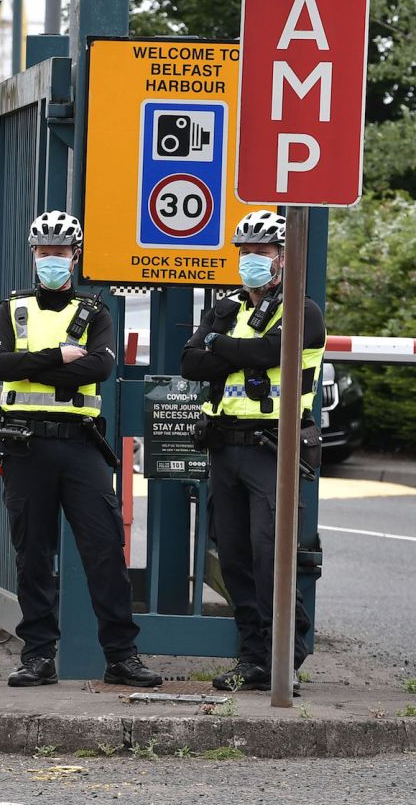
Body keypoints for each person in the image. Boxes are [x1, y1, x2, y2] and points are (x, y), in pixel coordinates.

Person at [0, 210, 161, 688]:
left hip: (80, 446)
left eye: (60, 252)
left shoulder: (95, 312)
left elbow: (99, 369)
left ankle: (122, 657)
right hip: (24, 446)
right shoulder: (13, 309)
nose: (52, 260)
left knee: (104, 550)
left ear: (75, 256)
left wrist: (33, 368)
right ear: (33, 255)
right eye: (44, 252)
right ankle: (38, 657)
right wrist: (60, 358)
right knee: (33, 556)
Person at [180, 210, 325, 694]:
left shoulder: (303, 310)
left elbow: (270, 355)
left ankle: (289, 656)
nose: (250, 261)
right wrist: (226, 344)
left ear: (284, 258)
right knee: (234, 559)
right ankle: (254, 658)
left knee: (272, 557)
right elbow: (190, 363)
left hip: (273, 450)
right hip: (226, 447)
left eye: (260, 253)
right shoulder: (225, 308)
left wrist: (220, 346)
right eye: (244, 252)